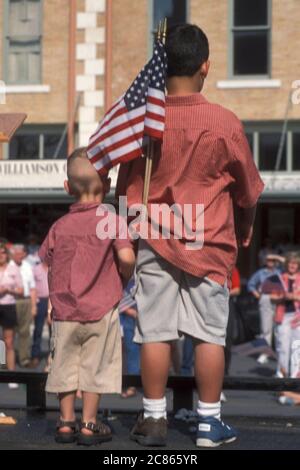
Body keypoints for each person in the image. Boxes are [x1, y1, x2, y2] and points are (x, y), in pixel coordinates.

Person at [116, 24, 264, 448]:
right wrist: (246, 225)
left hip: (155, 239)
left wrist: (127, 233)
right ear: (205, 66)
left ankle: (154, 418)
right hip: (210, 243)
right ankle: (209, 424)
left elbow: (125, 185)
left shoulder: (145, 121)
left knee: (155, 331)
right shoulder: (223, 122)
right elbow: (249, 188)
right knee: (208, 334)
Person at [39, 148, 135, 446]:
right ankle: (90, 424)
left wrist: (53, 303)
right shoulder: (113, 220)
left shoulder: (59, 226)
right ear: (106, 186)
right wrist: (124, 274)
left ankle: (66, 421)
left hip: (65, 310)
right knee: (96, 366)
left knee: (64, 364)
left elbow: (48, 263)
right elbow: (128, 257)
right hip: (101, 307)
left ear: (67, 187)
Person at [247, 253, 282, 364]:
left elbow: (290, 263)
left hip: (279, 299)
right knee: (265, 329)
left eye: (272, 260)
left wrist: (277, 257)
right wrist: (257, 294)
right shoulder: (260, 273)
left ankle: (280, 353)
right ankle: (265, 353)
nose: (270, 262)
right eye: (268, 260)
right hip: (266, 298)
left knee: (279, 329)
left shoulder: (279, 271)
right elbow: (250, 284)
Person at [0, 243, 23, 388]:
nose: (1, 255)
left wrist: (8, 289)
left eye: (3, 252)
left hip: (8, 306)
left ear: (6, 254)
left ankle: (11, 373)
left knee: (9, 342)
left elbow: (21, 290)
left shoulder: (13, 268)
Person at [10, 244, 37, 368]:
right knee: (8, 333)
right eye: (18, 254)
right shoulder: (7, 266)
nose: (20, 256)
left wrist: (33, 306)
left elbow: (32, 288)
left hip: (25, 301)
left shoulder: (27, 266)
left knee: (25, 332)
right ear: (13, 254)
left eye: (22, 254)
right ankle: (3, 360)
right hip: (10, 301)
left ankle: (24, 359)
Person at [119, 278, 141, 398]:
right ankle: (132, 384)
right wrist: (127, 310)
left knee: (136, 350)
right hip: (129, 310)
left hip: (140, 305)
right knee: (131, 349)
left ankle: (139, 384)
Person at [31, 260, 49, 368]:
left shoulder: (56, 266)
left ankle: (51, 357)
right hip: (40, 301)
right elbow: (32, 287)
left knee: (54, 331)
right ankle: (35, 355)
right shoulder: (35, 269)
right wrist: (33, 305)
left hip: (53, 300)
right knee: (38, 329)